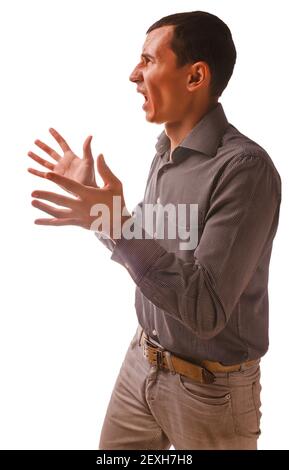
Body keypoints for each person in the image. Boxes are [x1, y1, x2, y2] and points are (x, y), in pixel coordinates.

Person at [27, 11, 281, 450]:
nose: (133, 74)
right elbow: (150, 248)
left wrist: (119, 224)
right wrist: (102, 213)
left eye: (147, 60)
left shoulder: (245, 170)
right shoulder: (165, 151)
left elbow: (204, 309)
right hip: (142, 362)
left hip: (211, 393)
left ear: (195, 75)